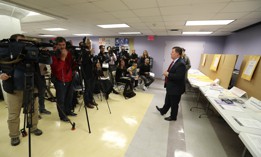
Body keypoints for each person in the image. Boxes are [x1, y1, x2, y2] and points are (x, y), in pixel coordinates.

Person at [0, 34, 43, 146]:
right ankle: (14, 135)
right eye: (20, 41)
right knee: (14, 114)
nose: (23, 44)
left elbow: (38, 67)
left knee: (33, 109)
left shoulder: (30, 52)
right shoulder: (5, 51)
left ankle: (33, 127)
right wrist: (1, 74)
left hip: (31, 86)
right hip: (13, 88)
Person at [156, 46, 186, 121]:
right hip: (171, 86)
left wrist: (168, 74)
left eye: (172, 52)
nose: (171, 53)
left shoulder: (181, 63)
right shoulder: (175, 61)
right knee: (168, 100)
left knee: (174, 104)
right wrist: (168, 72)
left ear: (178, 54)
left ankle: (173, 117)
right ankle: (163, 111)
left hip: (176, 88)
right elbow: (174, 71)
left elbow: (179, 77)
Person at [51, 37, 77, 122]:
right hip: (59, 80)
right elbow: (57, 69)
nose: (62, 47)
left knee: (69, 97)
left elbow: (71, 64)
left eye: (64, 45)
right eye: (60, 45)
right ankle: (62, 116)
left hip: (69, 79)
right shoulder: (53, 55)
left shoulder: (68, 53)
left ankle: (68, 111)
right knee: (61, 100)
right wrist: (62, 58)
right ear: (56, 45)